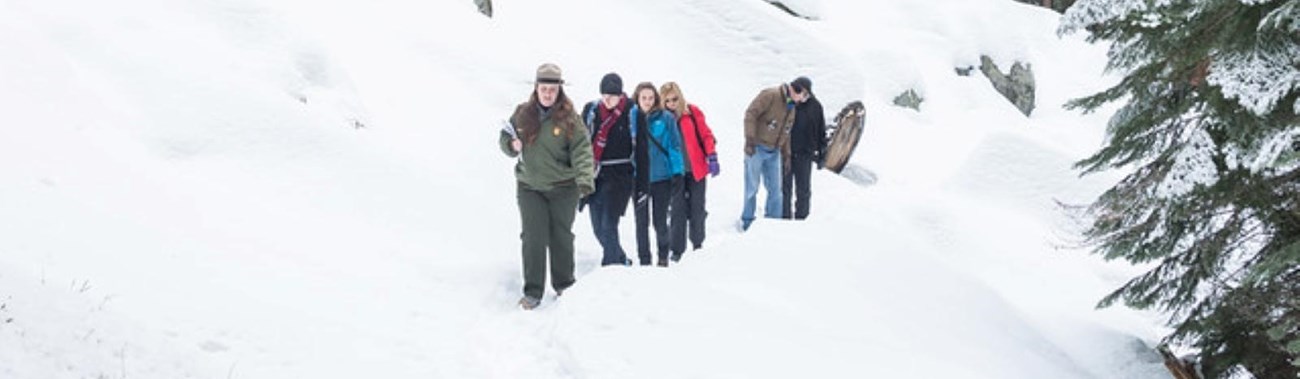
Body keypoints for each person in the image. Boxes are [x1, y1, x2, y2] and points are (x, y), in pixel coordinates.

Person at [499, 63, 594, 310]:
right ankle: (532, 291)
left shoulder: (570, 118)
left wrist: (585, 180)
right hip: (529, 187)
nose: (548, 94)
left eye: (552, 90)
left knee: (561, 236)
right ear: (536, 88)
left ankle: (564, 284)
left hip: (564, 187)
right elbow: (505, 136)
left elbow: (582, 150)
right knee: (533, 237)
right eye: (544, 89)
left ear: (559, 90)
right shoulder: (522, 113)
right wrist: (511, 145)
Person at [580, 73, 635, 266]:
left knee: (608, 224)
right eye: (604, 95)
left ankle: (611, 267)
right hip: (595, 174)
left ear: (620, 95)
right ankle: (620, 258)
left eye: (612, 96)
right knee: (597, 227)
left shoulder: (631, 111)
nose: (607, 100)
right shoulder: (592, 110)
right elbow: (580, 139)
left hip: (620, 176)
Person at [741, 77, 808, 231]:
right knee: (752, 187)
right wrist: (750, 139)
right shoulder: (770, 95)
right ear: (796, 89)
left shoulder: (792, 108)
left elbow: (786, 133)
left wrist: (786, 155)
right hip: (756, 148)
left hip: (774, 152)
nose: (803, 100)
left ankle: (773, 224)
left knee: (776, 191)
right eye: (803, 95)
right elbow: (750, 114)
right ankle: (747, 221)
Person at [629, 82, 685, 267]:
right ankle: (644, 259)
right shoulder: (630, 118)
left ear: (656, 99)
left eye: (650, 98)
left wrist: (677, 172)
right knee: (641, 222)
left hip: (662, 178)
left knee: (660, 221)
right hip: (639, 179)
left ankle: (663, 257)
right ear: (637, 98)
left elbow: (674, 146)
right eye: (643, 98)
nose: (647, 101)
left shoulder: (666, 118)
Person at [660, 81, 718, 255]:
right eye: (667, 101)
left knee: (697, 209)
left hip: (695, 169)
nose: (671, 103)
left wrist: (712, 156)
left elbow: (706, 135)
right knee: (677, 211)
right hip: (674, 173)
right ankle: (677, 250)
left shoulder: (692, 112)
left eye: (674, 99)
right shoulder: (661, 119)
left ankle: (698, 244)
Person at [782, 76, 825, 220]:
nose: (799, 93)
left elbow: (821, 131)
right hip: (786, 153)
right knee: (784, 188)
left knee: (803, 189)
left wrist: (822, 153)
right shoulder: (788, 102)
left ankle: (802, 219)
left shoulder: (815, 107)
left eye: (802, 91)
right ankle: (784, 218)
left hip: (805, 154)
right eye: (796, 89)